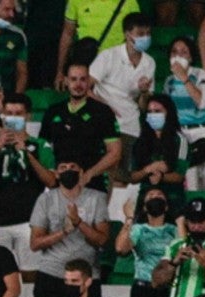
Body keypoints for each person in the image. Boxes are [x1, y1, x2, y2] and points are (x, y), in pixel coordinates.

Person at [0, 91, 56, 274]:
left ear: (28, 116)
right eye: (9, 113)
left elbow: (51, 181)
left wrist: (27, 153)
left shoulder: (40, 145)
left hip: (29, 221)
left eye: (18, 114)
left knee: (31, 272)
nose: (13, 118)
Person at [28, 159, 110, 297]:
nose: (68, 170)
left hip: (86, 276)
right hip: (51, 274)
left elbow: (102, 240)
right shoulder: (45, 199)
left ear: (81, 172)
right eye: (63, 167)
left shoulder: (97, 198)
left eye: (73, 167)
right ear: (57, 174)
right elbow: (35, 244)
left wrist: (78, 222)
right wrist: (64, 231)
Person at [89, 12, 156, 183]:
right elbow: (85, 88)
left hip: (130, 126)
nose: (145, 38)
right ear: (127, 34)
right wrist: (105, 108)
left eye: (148, 33)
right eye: (140, 34)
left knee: (123, 176)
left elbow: (143, 106)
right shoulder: (108, 56)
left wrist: (143, 92)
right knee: (101, 172)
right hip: (104, 124)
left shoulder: (149, 63)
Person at [39, 62, 121, 194]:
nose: (78, 84)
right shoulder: (53, 111)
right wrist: (52, 172)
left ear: (89, 81)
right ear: (66, 81)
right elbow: (43, 147)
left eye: (83, 79)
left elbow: (115, 153)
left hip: (93, 184)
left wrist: (89, 174)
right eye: (73, 79)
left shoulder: (103, 112)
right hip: (59, 185)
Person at [115, 186, 177, 297]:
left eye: (159, 195)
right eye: (150, 196)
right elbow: (121, 249)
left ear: (167, 205)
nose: (155, 197)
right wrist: (129, 218)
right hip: (143, 290)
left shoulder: (174, 230)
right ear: (144, 206)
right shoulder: (138, 229)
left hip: (168, 291)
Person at [163, 36, 205, 192]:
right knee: (190, 182)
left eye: (184, 52)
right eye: (174, 52)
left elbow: (201, 102)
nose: (178, 55)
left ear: (190, 57)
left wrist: (184, 78)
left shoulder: (200, 74)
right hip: (183, 135)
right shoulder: (168, 82)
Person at [54, 0, 142, 90]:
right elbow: (67, 35)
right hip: (86, 68)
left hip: (117, 70)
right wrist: (60, 71)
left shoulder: (129, 2)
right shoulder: (75, 1)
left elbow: (137, 38)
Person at [130, 94, 188, 214]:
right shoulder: (140, 142)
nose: (153, 115)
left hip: (173, 201)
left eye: (157, 111)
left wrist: (161, 176)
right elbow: (133, 177)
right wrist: (148, 169)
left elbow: (179, 176)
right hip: (145, 200)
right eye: (150, 112)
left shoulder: (180, 140)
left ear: (169, 113)